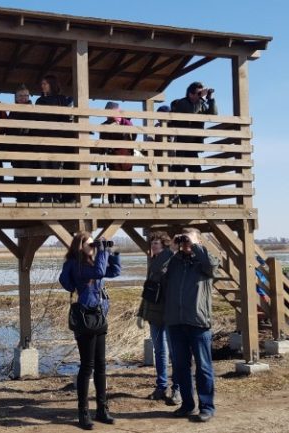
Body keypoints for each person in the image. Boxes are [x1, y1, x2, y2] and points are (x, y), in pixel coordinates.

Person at [59, 232, 121, 430]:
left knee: (101, 365)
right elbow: (100, 272)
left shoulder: (93, 262)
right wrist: (102, 252)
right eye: (90, 243)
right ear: (79, 246)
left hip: (100, 316)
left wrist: (112, 252)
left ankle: (102, 409)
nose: (93, 246)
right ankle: (83, 412)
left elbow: (114, 271)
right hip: (86, 318)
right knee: (87, 366)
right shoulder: (78, 266)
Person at [163, 227, 219, 422]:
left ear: (198, 243)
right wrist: (170, 249)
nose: (185, 243)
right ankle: (187, 405)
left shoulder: (203, 262)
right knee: (180, 367)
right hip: (175, 322)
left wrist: (195, 244)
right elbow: (155, 270)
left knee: (203, 367)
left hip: (198, 323)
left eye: (189, 240)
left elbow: (212, 266)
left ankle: (207, 407)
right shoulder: (174, 262)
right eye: (183, 240)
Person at [136, 230, 181, 405]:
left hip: (170, 314)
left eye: (156, 243)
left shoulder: (172, 261)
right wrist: (141, 313)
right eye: (152, 243)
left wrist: (171, 251)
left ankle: (177, 388)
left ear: (164, 245)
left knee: (175, 353)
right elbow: (149, 290)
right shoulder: (153, 262)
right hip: (154, 315)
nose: (153, 246)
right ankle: (161, 386)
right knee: (160, 352)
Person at [169, 82, 218, 204]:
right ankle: (185, 199)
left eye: (202, 92)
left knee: (196, 171)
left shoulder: (201, 103)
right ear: (190, 94)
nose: (201, 95)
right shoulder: (182, 103)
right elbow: (191, 114)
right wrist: (201, 99)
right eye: (198, 93)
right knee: (179, 172)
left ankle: (193, 197)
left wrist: (210, 99)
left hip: (193, 145)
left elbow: (213, 114)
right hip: (182, 144)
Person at [35, 74, 75, 203]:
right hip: (43, 140)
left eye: (45, 83)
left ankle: (56, 197)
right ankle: (47, 198)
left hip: (58, 141)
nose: (42, 86)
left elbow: (67, 119)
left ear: (52, 84)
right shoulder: (39, 101)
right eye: (42, 83)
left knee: (57, 170)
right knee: (45, 170)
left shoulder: (62, 99)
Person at [6, 84, 40, 202]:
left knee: (30, 175)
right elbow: (9, 130)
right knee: (18, 175)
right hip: (16, 149)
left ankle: (32, 200)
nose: (23, 98)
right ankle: (20, 199)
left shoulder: (33, 110)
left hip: (30, 149)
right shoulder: (13, 112)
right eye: (20, 96)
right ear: (16, 97)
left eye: (26, 95)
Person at [99, 102, 136, 204]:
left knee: (126, 181)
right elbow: (102, 141)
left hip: (126, 158)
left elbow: (133, 137)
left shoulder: (127, 123)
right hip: (113, 158)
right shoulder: (105, 125)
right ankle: (113, 201)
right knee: (114, 180)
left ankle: (126, 201)